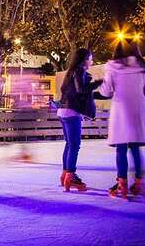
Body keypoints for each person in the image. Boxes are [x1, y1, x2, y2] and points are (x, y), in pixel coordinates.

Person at [100, 41, 145, 199]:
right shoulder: (142, 66)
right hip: (138, 109)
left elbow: (106, 90)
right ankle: (139, 183)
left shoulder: (113, 66)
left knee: (121, 148)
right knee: (136, 148)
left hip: (120, 109)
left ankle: (122, 184)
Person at [57, 48, 102, 192]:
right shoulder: (79, 71)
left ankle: (65, 174)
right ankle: (71, 176)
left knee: (69, 144)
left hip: (63, 111)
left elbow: (86, 93)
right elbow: (82, 90)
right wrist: (99, 82)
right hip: (71, 112)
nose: (92, 61)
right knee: (74, 145)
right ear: (84, 60)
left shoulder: (71, 72)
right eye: (90, 58)